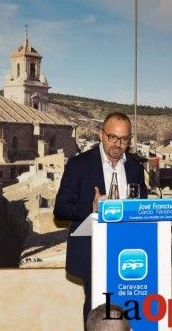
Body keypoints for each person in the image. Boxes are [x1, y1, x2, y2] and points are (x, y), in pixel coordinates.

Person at [54, 112, 147, 328]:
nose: (118, 144)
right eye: (112, 137)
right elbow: (60, 209)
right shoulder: (79, 165)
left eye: (124, 139)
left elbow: (141, 205)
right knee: (98, 310)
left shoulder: (135, 167)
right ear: (101, 135)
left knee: (129, 309)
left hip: (129, 253)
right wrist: (92, 207)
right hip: (93, 252)